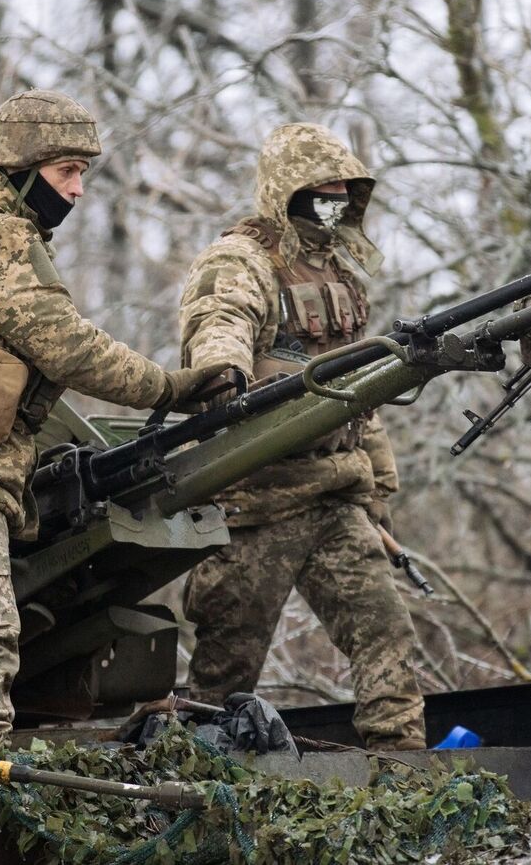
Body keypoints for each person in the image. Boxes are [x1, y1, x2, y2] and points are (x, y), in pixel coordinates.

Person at [0, 89, 227, 753]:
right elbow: (67, 345)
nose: (79, 190)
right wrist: (170, 386)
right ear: (26, 171)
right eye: (68, 173)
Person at [178, 122, 428, 751]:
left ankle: (405, 776)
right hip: (255, 501)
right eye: (319, 192)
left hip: (334, 495)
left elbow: (362, 397)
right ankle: (188, 788)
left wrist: (377, 497)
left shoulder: (341, 275)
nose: (334, 203)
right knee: (223, 675)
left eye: (345, 192)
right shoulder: (241, 261)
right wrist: (225, 372)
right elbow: (220, 324)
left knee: (386, 636)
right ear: (285, 192)